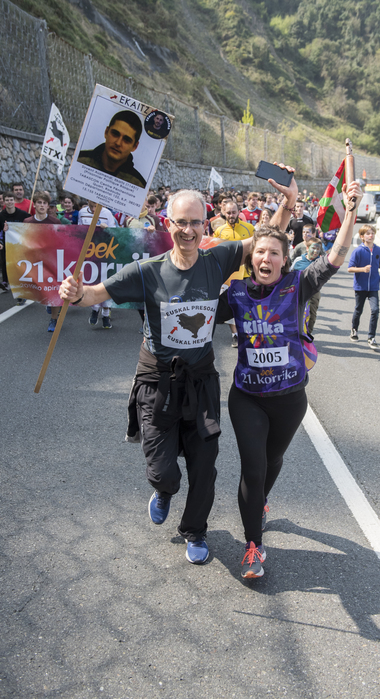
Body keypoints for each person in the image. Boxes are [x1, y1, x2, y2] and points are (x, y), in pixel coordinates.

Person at [59, 166, 298, 566]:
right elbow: (93, 294)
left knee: (205, 465)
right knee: (163, 470)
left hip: (201, 379)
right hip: (157, 380)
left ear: (206, 224)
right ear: (167, 224)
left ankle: (195, 531)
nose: (188, 230)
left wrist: (288, 204)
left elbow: (265, 241)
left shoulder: (217, 258)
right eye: (181, 222)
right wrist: (75, 292)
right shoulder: (146, 271)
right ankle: (164, 490)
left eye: (195, 223)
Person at [216, 179, 363, 578]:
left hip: (290, 398)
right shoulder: (236, 294)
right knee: (253, 468)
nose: (266, 258)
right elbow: (198, 312)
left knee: (272, 460)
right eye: (260, 252)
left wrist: (350, 212)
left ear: (285, 259)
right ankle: (253, 546)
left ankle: (259, 503)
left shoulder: (298, 284)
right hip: (246, 397)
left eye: (274, 253)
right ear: (252, 259)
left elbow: (335, 257)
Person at [214, 200, 254, 348]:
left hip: (246, 274)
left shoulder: (249, 228)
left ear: (238, 212)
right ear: (224, 213)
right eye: (228, 213)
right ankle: (235, 335)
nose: (231, 215)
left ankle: (248, 332)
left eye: (234, 212)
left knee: (247, 307)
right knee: (231, 305)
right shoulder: (219, 231)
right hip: (228, 276)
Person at [77, 110, 147, 188]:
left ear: (135, 146)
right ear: (106, 132)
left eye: (126, 140)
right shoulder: (78, 160)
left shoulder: (138, 185)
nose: (118, 143)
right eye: (115, 134)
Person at [23, 192, 62, 329]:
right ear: (34, 205)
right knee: (42, 289)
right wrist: (8, 230)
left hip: (52, 261)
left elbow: (61, 241)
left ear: (48, 206)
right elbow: (22, 239)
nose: (42, 205)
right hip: (35, 262)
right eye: (39, 202)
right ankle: (49, 303)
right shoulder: (27, 222)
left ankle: (54, 319)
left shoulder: (55, 222)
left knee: (54, 290)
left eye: (44, 203)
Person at [347, 225, 380, 349]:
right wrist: (362, 269)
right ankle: (354, 329)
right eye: (368, 233)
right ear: (362, 236)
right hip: (360, 286)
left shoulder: (379, 250)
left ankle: (371, 337)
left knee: (375, 310)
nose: (371, 235)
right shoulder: (358, 251)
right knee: (358, 310)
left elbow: (378, 262)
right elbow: (350, 268)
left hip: (374, 286)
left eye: (372, 233)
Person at [0, 191, 31, 291]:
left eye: (11, 200)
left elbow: (31, 226)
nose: (9, 202)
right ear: (4, 202)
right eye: (7, 200)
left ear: (14, 201)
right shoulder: (1, 216)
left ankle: (22, 281)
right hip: (7, 243)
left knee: (21, 262)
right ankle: (5, 281)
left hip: (21, 243)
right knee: (5, 261)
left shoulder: (23, 214)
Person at [291, 238, 324, 336]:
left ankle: (308, 334)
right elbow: (290, 274)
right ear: (307, 248)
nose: (316, 251)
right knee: (296, 312)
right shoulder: (298, 260)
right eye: (313, 248)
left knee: (312, 313)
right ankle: (295, 333)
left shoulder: (320, 262)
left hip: (314, 291)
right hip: (299, 290)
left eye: (318, 249)